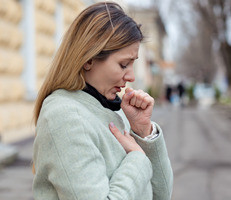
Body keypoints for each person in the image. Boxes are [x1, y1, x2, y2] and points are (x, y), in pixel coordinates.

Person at [32, 2, 173, 200]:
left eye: (133, 64)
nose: (131, 76)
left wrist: (144, 132)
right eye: (124, 65)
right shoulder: (64, 117)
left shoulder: (110, 109)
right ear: (88, 59)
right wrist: (138, 159)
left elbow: (161, 195)